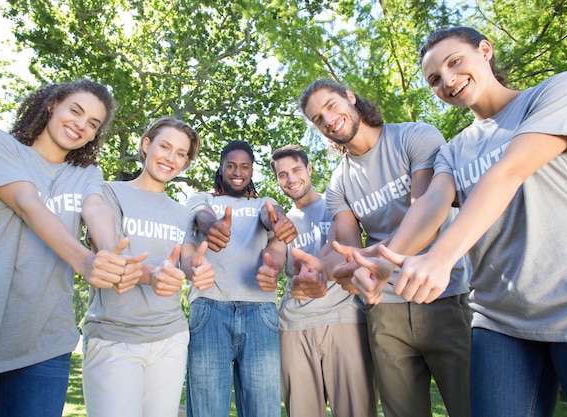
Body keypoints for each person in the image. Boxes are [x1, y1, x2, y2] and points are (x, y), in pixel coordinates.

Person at [352, 27, 567, 417]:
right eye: (435, 80)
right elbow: (431, 204)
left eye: (454, 62)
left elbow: (509, 171)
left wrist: (441, 257)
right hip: (499, 321)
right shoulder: (454, 150)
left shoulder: (558, 92)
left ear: (485, 50)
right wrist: (388, 259)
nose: (448, 80)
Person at [0, 79, 145, 417]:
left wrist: (113, 255)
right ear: (52, 104)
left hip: (46, 341)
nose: (81, 125)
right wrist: (85, 261)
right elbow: (28, 204)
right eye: (75, 110)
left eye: (93, 124)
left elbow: (96, 209)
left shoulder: (87, 172)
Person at [298, 79, 472, 417]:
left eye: (331, 106)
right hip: (385, 311)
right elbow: (348, 248)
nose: (329, 119)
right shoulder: (339, 184)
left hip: (444, 295)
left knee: (471, 406)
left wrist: (375, 260)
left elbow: (427, 215)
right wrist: (327, 270)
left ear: (350, 97)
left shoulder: (415, 137)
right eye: (318, 118)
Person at [81, 116, 215, 417]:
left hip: (170, 338)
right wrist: (150, 274)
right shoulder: (108, 193)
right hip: (114, 337)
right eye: (165, 146)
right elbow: (106, 253)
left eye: (181, 154)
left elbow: (187, 261)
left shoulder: (182, 214)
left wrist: (199, 271)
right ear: (146, 144)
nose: (171, 158)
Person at [184, 139, 295, 417]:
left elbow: (273, 221)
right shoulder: (203, 199)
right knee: (207, 407)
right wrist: (214, 226)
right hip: (209, 308)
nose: (238, 171)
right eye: (231, 165)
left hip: (260, 312)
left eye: (245, 166)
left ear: (252, 171)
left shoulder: (264, 203)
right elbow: (201, 215)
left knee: (264, 409)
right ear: (221, 169)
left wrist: (277, 237)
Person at [269, 144, 377, 417]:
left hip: (344, 319)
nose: (291, 179)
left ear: (309, 168)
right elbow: (275, 256)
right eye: (282, 175)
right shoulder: (281, 221)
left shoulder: (336, 203)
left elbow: (347, 246)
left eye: (295, 170)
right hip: (294, 324)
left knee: (357, 411)